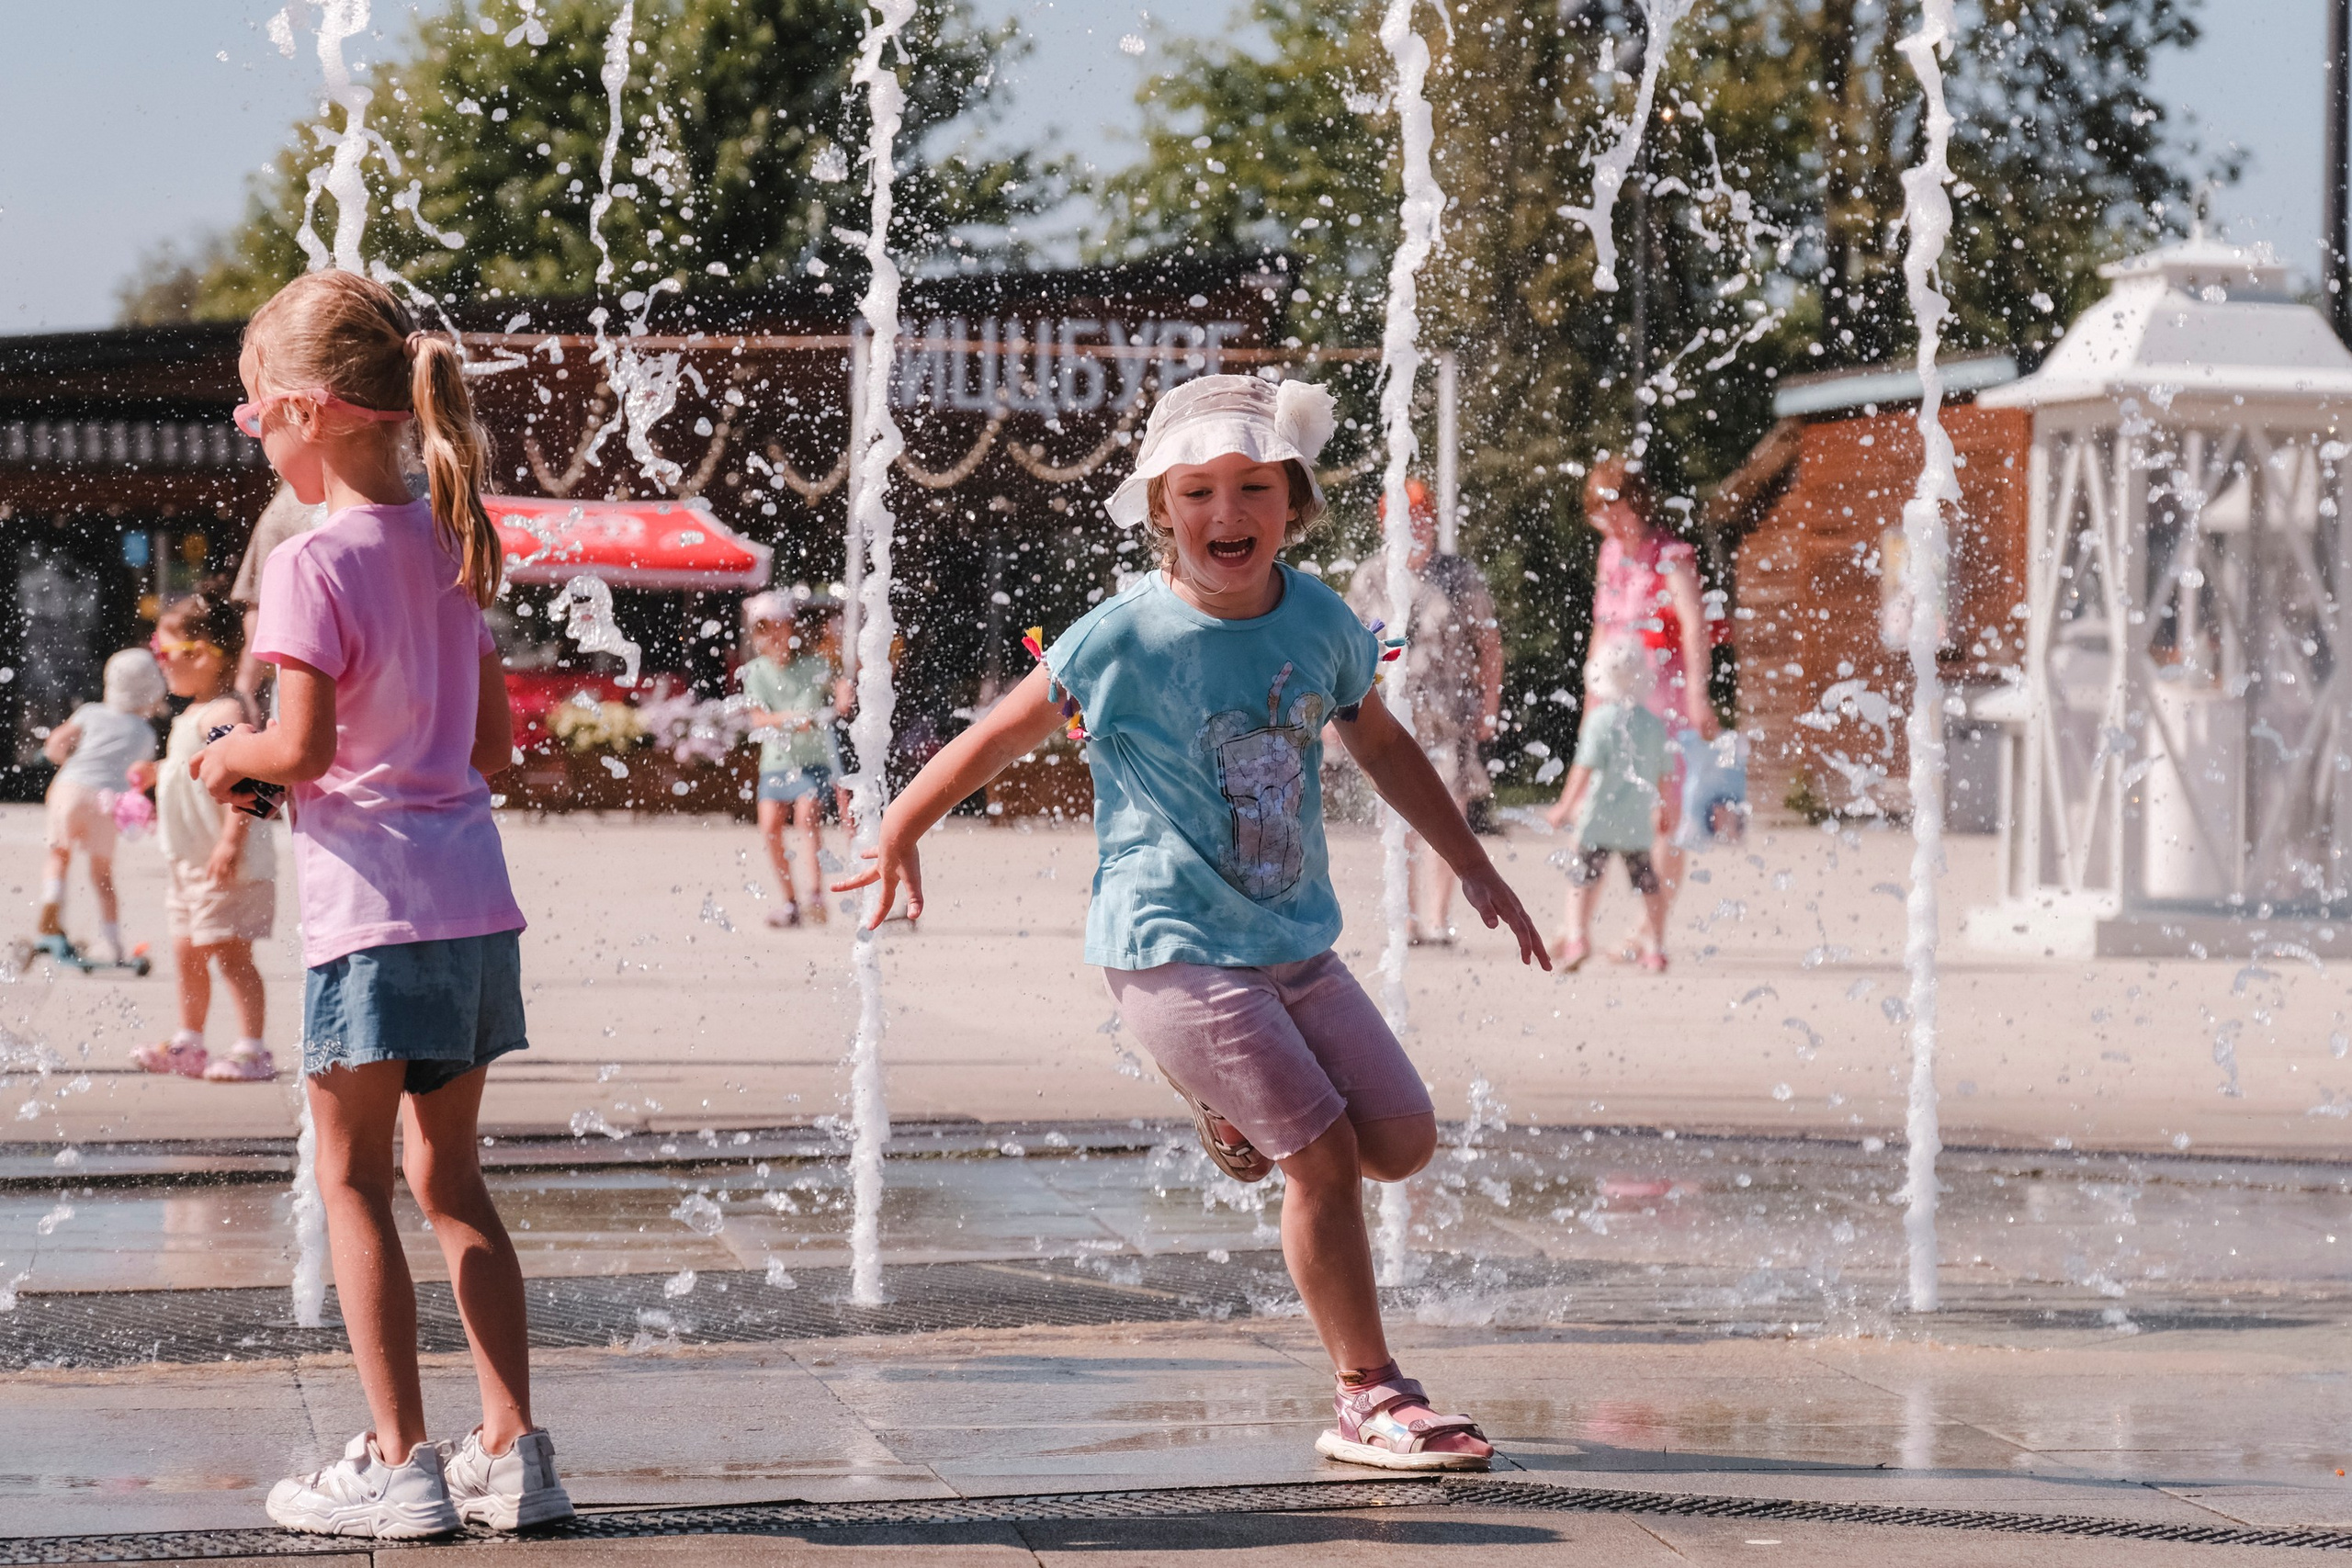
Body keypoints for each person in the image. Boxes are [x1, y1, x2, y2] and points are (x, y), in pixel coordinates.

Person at [836, 374, 1552, 1472]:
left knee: (1399, 1144)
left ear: (1294, 501)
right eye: (1200, 490)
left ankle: (1228, 1111)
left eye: (1253, 487)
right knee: (1317, 1160)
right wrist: (898, 828)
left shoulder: (1320, 620)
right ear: (1161, 508)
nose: (1229, 511)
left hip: (1292, 944)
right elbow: (995, 738)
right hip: (1167, 944)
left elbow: (1381, 743)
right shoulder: (1119, 638)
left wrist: (1469, 859)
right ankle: (1370, 1393)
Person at [199, 270, 571, 1539]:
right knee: (454, 1179)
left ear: (308, 410)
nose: (258, 440)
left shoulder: (313, 562)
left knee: (350, 1177)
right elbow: (491, 748)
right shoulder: (456, 541)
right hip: (474, 908)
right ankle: (516, 1447)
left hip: (373, 915)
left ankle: (401, 1460)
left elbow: (298, 749)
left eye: (257, 418)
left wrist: (223, 754)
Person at [1344, 477, 1503, 945]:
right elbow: (1352, 645)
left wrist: (1490, 705)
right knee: (1398, 813)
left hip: (1451, 712)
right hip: (1391, 711)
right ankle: (1405, 916)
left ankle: (1439, 918)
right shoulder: (1371, 576)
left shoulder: (1459, 575)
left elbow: (1489, 644)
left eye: (1422, 516)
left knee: (1450, 812)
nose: (1416, 526)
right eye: (1404, 518)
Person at [134, 582, 277, 1081]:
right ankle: (190, 1042)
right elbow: (194, 769)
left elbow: (249, 786)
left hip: (224, 862)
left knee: (231, 952)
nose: (161, 661)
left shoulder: (227, 713)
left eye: (165, 650)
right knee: (186, 950)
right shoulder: (193, 713)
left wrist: (229, 843)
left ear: (204, 653)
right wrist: (158, 773)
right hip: (190, 862)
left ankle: (252, 1048)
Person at [1584, 455, 1716, 951]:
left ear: (1635, 504)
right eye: (1598, 512)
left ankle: (1649, 927)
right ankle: (1579, 925)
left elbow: (1695, 628)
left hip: (1665, 699)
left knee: (1664, 810)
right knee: (1604, 806)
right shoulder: (1610, 555)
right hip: (1615, 700)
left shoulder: (1672, 555)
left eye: (1611, 509)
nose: (1605, 521)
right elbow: (1602, 630)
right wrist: (1590, 703)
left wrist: (1700, 696)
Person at [1544, 637, 1670, 972]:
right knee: (1649, 886)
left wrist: (1564, 806)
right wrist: (1665, 810)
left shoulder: (1600, 720)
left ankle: (1577, 938)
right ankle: (1656, 948)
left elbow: (1582, 770)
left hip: (1598, 821)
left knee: (1580, 880)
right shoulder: (1653, 725)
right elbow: (1664, 775)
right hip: (1637, 824)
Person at [39, 647, 165, 964]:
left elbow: (56, 743)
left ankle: (52, 899)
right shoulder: (146, 733)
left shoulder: (90, 713)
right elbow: (139, 775)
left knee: (59, 853)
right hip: (107, 803)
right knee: (102, 875)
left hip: (71, 789)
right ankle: (111, 941)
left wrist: (61, 759)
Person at [739, 590, 852, 927]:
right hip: (775, 761)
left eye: (778, 625)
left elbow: (834, 703)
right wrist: (796, 718)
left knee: (807, 819)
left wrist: (843, 695)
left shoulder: (814, 665)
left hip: (812, 760)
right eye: (763, 628)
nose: (773, 634)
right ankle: (790, 902)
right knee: (770, 828)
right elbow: (759, 719)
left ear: (791, 627)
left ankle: (814, 892)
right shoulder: (755, 671)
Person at [231, 483, 327, 700]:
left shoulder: (289, 505)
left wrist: (245, 692)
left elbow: (260, 609)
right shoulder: (411, 494)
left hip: (309, 680)